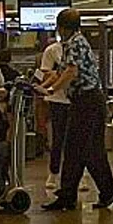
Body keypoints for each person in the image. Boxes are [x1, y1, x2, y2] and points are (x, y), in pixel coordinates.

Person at [39, 8, 113, 211]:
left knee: (78, 149)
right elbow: (61, 71)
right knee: (87, 151)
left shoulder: (75, 43)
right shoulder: (75, 42)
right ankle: (103, 191)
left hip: (88, 102)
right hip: (88, 101)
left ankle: (72, 195)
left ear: (62, 28)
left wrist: (50, 90)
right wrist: (44, 86)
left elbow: (71, 72)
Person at [36, 29, 71, 192]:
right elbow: (50, 75)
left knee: (76, 140)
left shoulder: (78, 49)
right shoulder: (51, 51)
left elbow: (67, 74)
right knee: (57, 139)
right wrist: (44, 88)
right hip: (57, 101)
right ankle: (53, 173)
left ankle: (81, 177)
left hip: (75, 99)